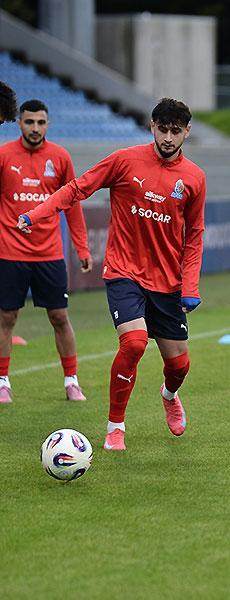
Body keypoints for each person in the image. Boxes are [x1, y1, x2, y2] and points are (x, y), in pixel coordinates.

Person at [17, 98, 205, 452]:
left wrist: (190, 285)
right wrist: (36, 213)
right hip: (124, 270)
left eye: (175, 131)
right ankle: (115, 427)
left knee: (179, 364)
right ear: (152, 126)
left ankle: (169, 395)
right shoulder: (124, 160)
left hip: (167, 281)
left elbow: (194, 235)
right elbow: (77, 189)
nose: (168, 138)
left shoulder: (194, 178)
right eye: (163, 129)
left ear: (187, 131)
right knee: (133, 343)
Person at [0, 99, 92, 404]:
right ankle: (2, 382)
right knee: (6, 317)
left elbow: (72, 204)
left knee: (59, 316)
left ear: (47, 124)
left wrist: (81, 246)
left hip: (49, 253)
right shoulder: (4, 155)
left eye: (40, 122)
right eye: (29, 122)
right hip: (10, 252)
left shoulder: (60, 157)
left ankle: (71, 382)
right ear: (19, 123)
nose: (35, 128)